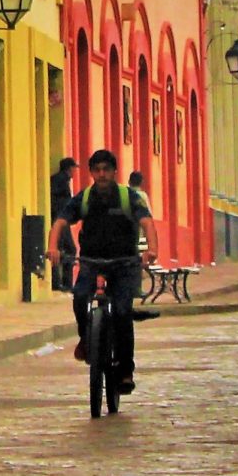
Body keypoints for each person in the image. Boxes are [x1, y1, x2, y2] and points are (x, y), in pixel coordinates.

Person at [52, 149, 149, 396]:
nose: (102, 174)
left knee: (122, 312)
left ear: (114, 172)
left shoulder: (128, 197)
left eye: (107, 169)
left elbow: (147, 222)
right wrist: (52, 247)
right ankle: (87, 339)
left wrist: (152, 250)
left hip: (124, 264)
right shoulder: (84, 198)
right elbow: (62, 221)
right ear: (92, 172)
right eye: (97, 170)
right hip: (91, 262)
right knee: (79, 298)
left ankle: (125, 370)